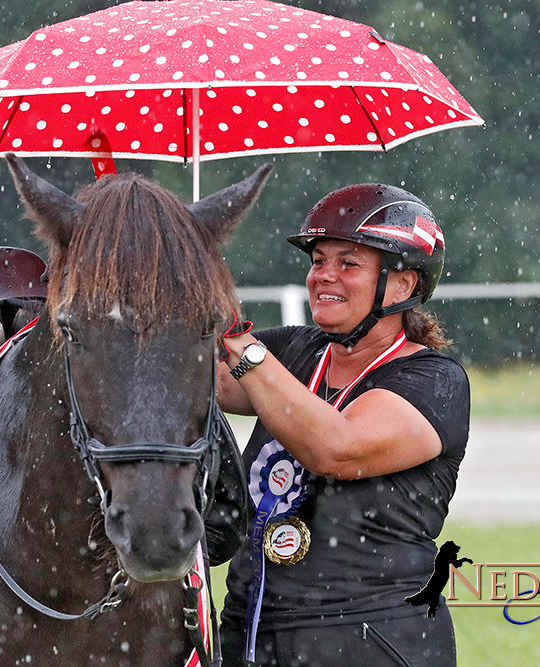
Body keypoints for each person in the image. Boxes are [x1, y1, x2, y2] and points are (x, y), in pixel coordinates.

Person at [217, 183, 470, 666]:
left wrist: (242, 346)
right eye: (318, 261)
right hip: (250, 630)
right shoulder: (294, 350)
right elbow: (186, 380)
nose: (322, 276)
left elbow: (338, 449)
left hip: (372, 635)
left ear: (403, 284)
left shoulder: (435, 379)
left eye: (347, 264)